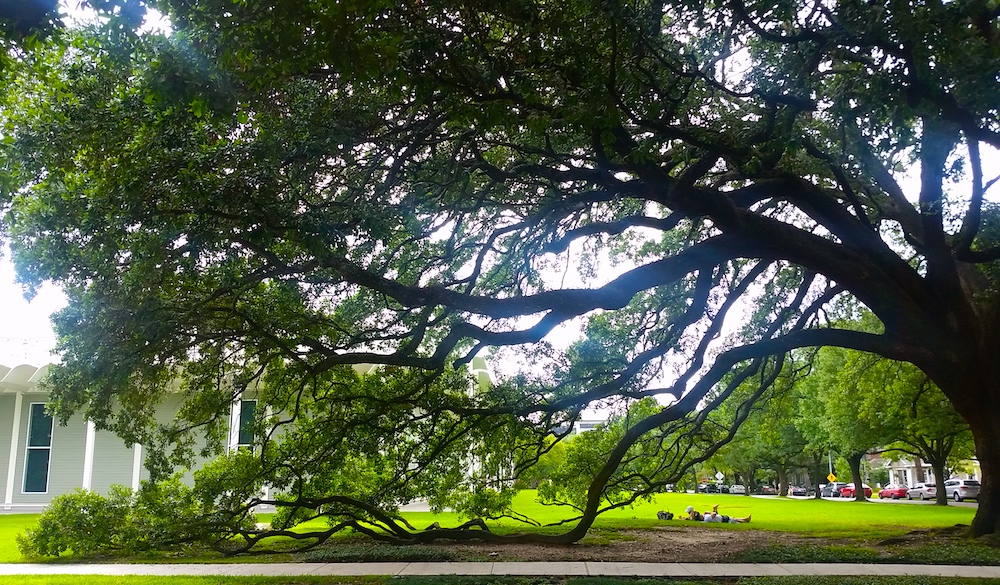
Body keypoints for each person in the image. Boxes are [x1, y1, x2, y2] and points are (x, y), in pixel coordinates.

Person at [684, 504, 750, 523]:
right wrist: (714, 509)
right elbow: (714, 514)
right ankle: (745, 519)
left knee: (734, 518)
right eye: (701, 515)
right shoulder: (707, 518)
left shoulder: (705, 517)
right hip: (723, 519)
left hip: (721, 517)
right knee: (733, 519)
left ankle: (745, 519)